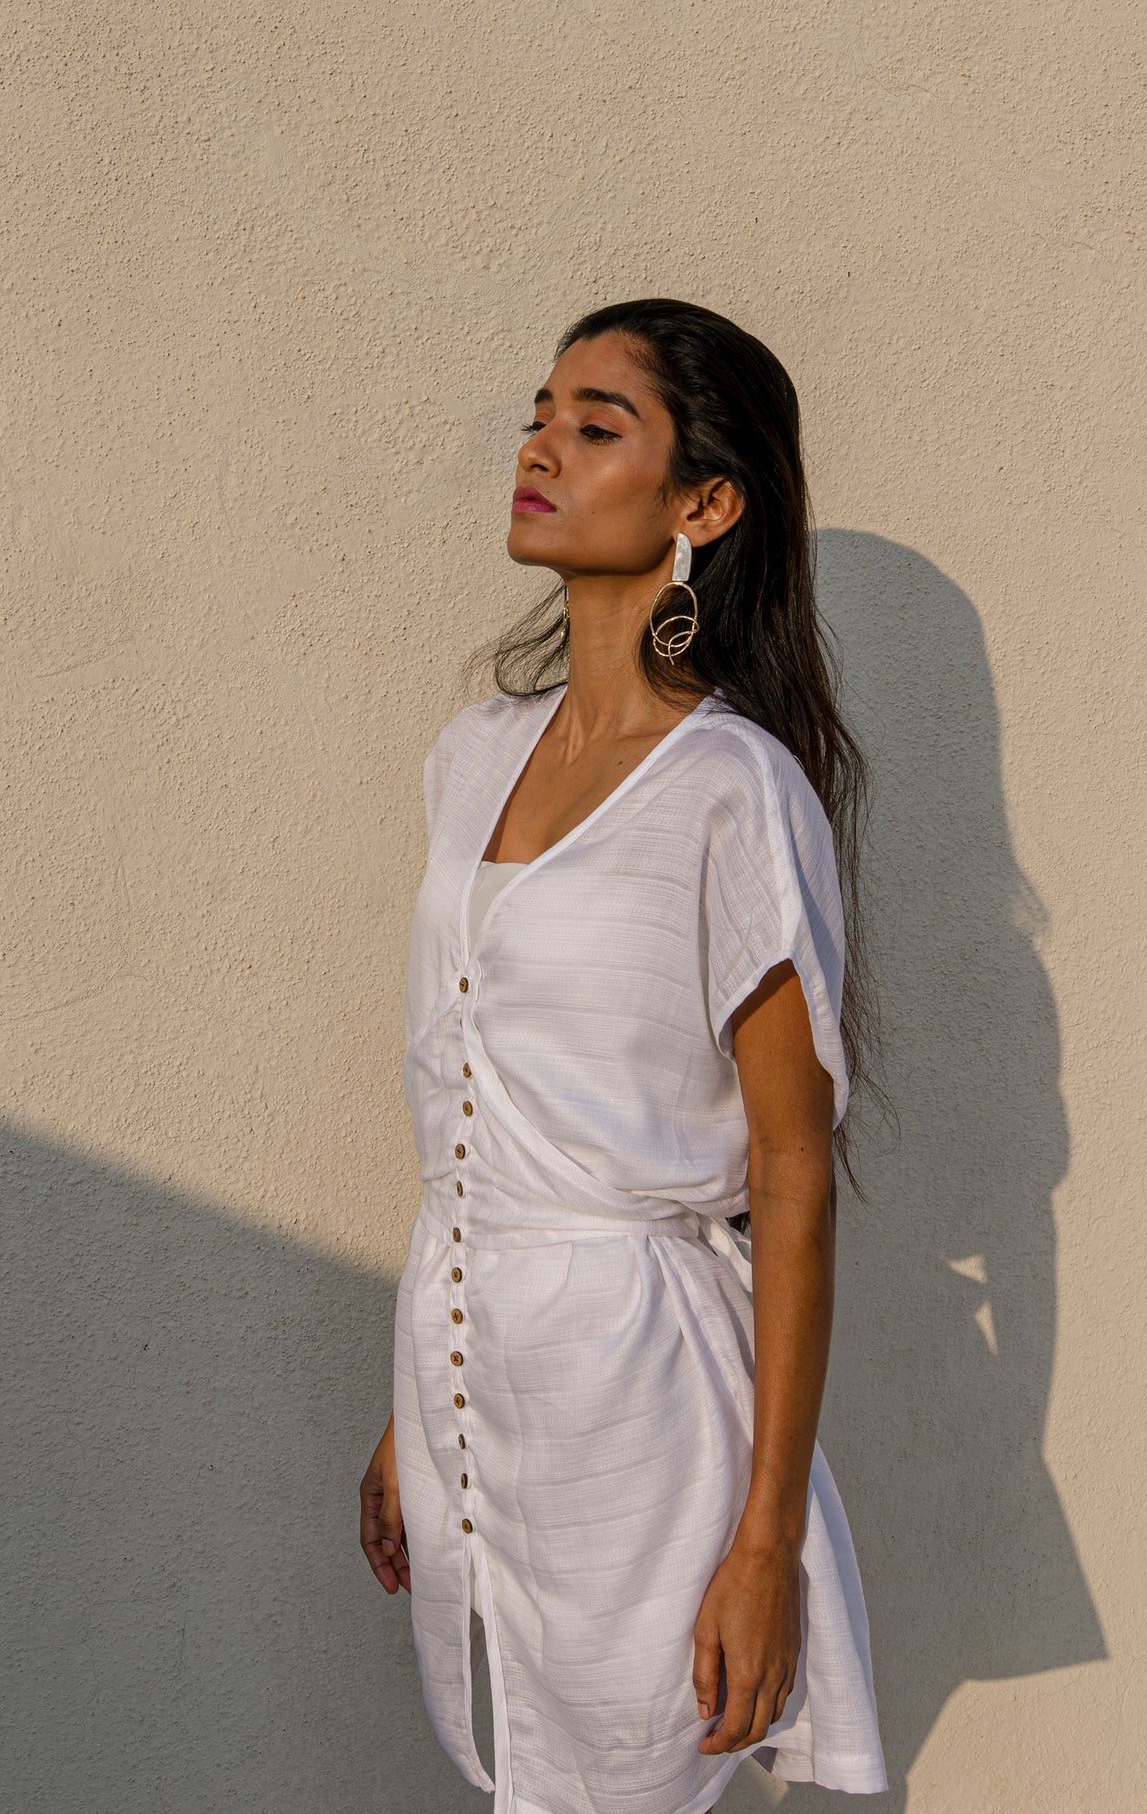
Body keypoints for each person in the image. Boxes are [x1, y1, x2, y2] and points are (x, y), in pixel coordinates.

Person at [359, 298, 891, 1814]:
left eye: (598, 426)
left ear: (703, 506)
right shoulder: (472, 755)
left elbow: (791, 1173)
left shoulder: (733, 790)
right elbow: (479, 1114)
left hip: (637, 1395)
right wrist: (419, 1400)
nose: (539, 445)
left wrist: (764, 1540)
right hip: (475, 1369)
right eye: (542, 411)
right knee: (516, 1771)